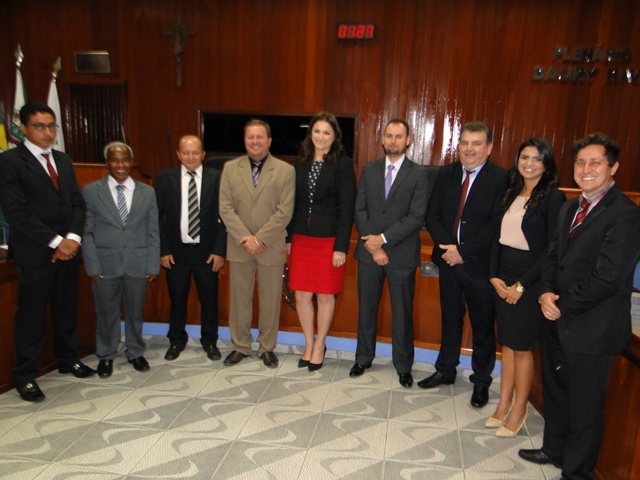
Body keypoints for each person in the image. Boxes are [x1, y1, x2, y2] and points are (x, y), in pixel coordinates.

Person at [519, 133, 640, 479]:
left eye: (595, 162)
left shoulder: (626, 215)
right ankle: (554, 449)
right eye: (580, 162)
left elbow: (610, 277)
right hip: (556, 318)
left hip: (593, 329)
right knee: (557, 395)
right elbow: (553, 255)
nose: (586, 169)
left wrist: (562, 304)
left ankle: (575, 473)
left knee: (585, 409)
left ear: (613, 167)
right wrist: (544, 292)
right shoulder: (571, 206)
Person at [0, 101, 95, 402]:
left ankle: (68, 359)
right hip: (36, 254)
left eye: (52, 126)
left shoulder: (63, 160)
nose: (48, 132)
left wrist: (73, 239)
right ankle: (25, 375)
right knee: (31, 316)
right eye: (40, 126)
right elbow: (17, 213)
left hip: (68, 251)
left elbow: (77, 204)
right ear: (24, 128)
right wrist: (58, 242)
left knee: (66, 309)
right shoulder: (10, 162)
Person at [419, 121, 506, 408]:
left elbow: (496, 225)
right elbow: (432, 215)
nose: (469, 149)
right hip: (448, 262)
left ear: (489, 148)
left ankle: (481, 381)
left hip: (479, 266)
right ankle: (445, 370)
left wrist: (463, 252)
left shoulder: (501, 179)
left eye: (476, 143)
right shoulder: (446, 174)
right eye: (465, 143)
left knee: (482, 326)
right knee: (450, 318)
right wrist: (448, 250)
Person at [486, 138, 565, 437]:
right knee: (507, 343)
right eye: (524, 157)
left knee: (522, 348)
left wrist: (521, 285)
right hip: (504, 275)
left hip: (530, 279)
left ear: (546, 164)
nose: (529, 163)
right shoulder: (511, 193)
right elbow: (497, 236)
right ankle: (504, 401)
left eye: (536, 159)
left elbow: (550, 250)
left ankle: (520, 409)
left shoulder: (552, 198)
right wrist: (494, 276)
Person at [349, 118, 429, 387]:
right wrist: (373, 245)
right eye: (389, 136)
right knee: (366, 309)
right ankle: (363, 357)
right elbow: (359, 210)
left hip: (401, 255)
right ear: (382, 140)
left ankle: (404, 365)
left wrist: (382, 240)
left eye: (399, 136)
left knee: (403, 313)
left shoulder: (419, 174)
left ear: (408, 141)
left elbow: (416, 217)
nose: (393, 140)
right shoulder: (369, 170)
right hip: (369, 254)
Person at [219, 119, 295, 368]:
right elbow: (225, 208)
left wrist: (260, 239)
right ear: (245, 141)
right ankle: (241, 345)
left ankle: (266, 347)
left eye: (260, 137)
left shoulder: (285, 170)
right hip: (239, 244)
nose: (255, 142)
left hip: (270, 245)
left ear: (269, 140)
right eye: (250, 137)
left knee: (270, 298)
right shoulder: (230, 168)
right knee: (239, 298)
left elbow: (285, 211)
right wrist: (246, 238)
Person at [81, 142, 160, 377]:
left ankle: (135, 352)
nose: (121, 165)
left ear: (131, 162)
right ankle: (106, 355)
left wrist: (152, 263)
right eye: (115, 160)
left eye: (125, 160)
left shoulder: (148, 191)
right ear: (107, 163)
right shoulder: (91, 191)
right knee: (106, 312)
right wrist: (92, 264)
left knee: (136, 311)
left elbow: (153, 230)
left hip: (138, 262)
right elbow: (87, 232)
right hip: (105, 264)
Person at [286, 113, 356, 371]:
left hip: (328, 240)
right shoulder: (301, 161)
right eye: (317, 131)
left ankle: (321, 344)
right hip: (302, 238)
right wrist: (289, 237)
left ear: (335, 136)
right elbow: (296, 202)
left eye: (327, 133)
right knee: (302, 294)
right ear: (310, 134)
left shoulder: (343, 164)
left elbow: (347, 207)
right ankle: (308, 342)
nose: (321, 137)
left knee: (325, 295)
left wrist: (341, 246)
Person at [155, 135, 227, 361]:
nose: (191, 156)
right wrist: (163, 250)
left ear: (203, 154)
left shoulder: (218, 178)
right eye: (186, 152)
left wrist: (219, 250)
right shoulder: (165, 178)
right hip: (176, 252)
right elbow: (156, 216)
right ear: (178, 154)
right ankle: (176, 341)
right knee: (177, 300)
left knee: (209, 300)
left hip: (207, 252)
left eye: (195, 152)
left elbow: (226, 217)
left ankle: (210, 342)